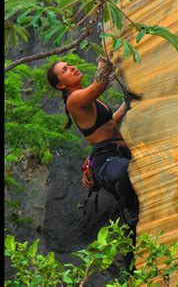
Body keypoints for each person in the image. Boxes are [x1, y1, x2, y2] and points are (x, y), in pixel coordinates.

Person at [46, 57, 140, 274]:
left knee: (131, 228)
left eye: (69, 64)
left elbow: (109, 123)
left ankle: (132, 271)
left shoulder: (88, 100)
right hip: (106, 162)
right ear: (61, 85)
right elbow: (100, 84)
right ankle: (129, 208)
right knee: (123, 171)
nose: (71, 67)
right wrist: (106, 60)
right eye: (65, 70)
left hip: (118, 153)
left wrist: (126, 105)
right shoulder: (74, 100)